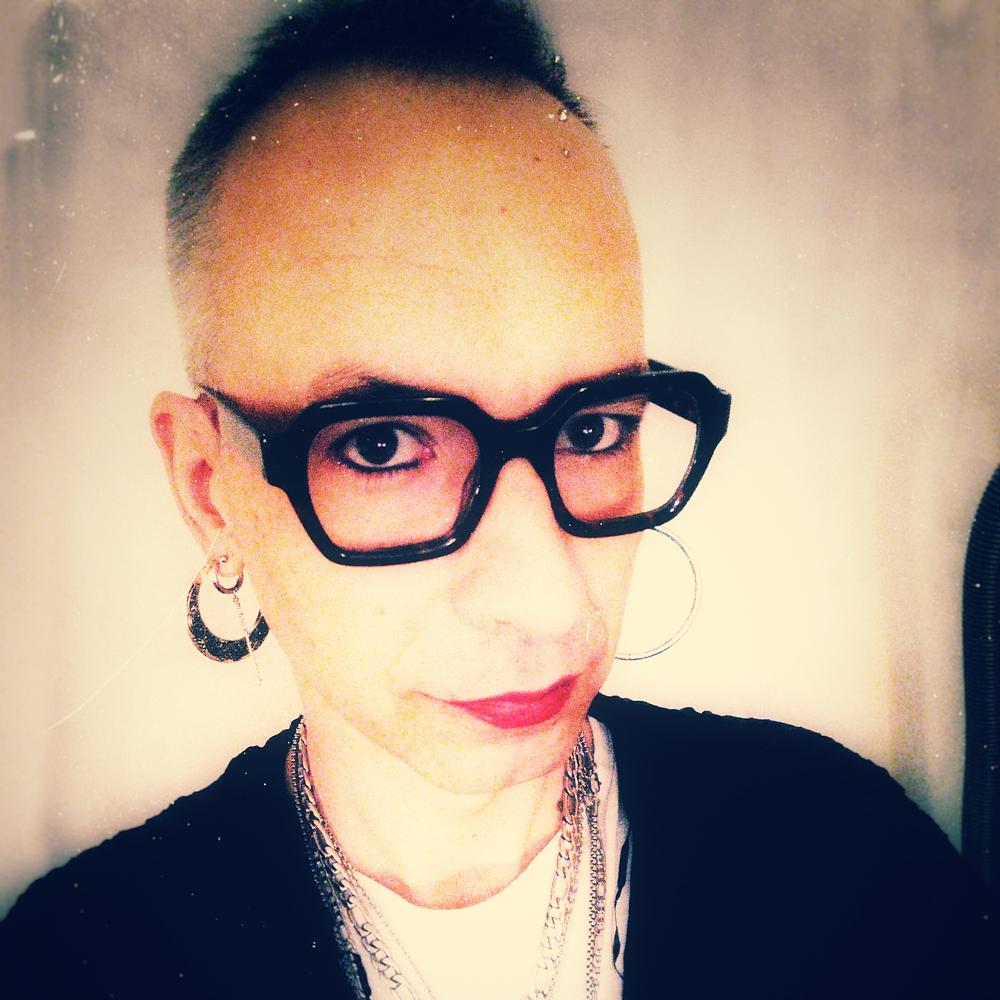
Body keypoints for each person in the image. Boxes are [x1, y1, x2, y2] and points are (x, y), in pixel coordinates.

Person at [1, 1, 992, 997]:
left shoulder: (844, 868)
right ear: (211, 490)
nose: (547, 599)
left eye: (591, 429)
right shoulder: (79, 963)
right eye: (383, 445)